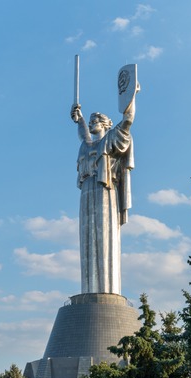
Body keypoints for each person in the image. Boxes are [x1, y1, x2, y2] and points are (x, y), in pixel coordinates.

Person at [71, 95, 136, 295]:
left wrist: (130, 96)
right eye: (90, 122)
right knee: (87, 238)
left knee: (105, 236)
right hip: (87, 192)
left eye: (95, 121)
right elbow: (83, 135)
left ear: (106, 125)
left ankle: (109, 291)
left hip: (105, 190)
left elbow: (127, 121)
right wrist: (79, 119)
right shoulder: (87, 145)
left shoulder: (110, 140)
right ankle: (89, 291)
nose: (91, 124)